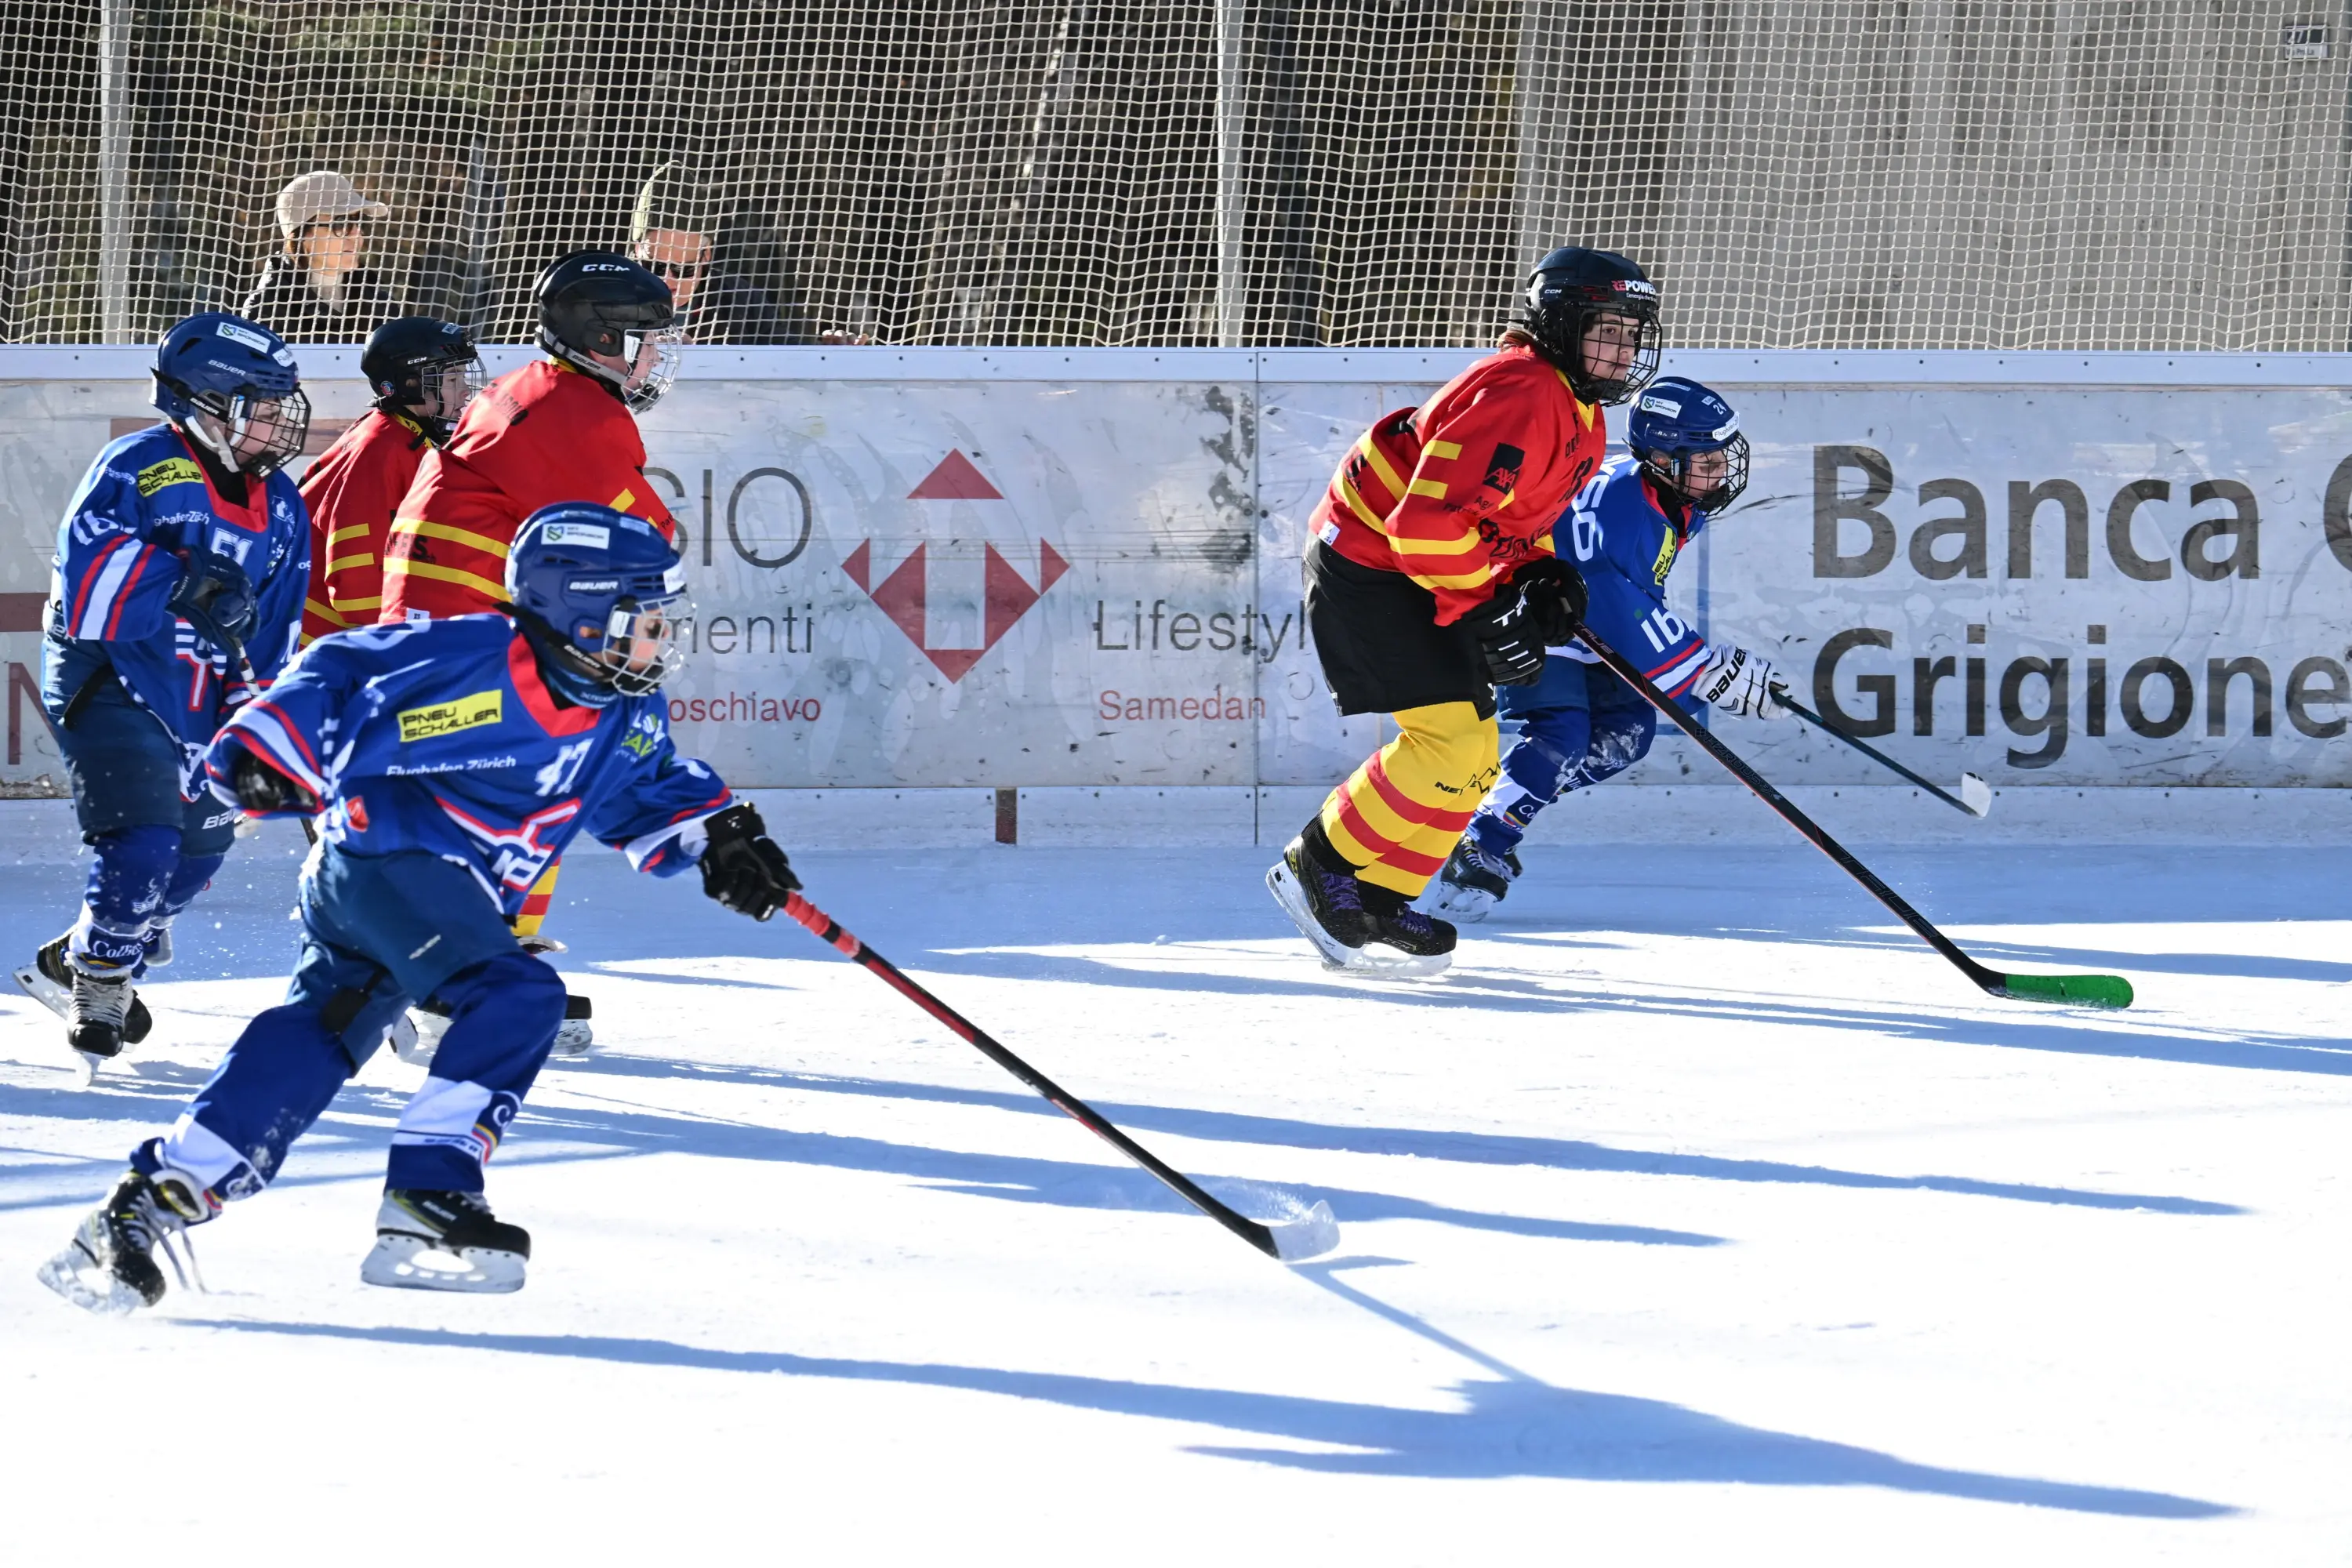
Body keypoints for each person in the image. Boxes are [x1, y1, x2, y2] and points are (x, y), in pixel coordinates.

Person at [36, 505, 802, 1314]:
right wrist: (262, 750)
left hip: (424, 904)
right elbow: (336, 674)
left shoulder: (623, 711)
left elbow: (645, 788)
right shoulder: (473, 660)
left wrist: (718, 835)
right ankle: (430, 1193)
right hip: (383, 866)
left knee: (320, 1035)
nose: (660, 640)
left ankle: (146, 1201)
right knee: (518, 994)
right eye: (644, 621)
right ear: (582, 612)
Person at [1264, 246, 1664, 977]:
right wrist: (1490, 605)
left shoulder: (1580, 411)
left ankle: (1378, 897)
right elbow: (1422, 525)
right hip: (1369, 566)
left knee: (1476, 756)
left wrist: (1539, 573)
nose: (1624, 349)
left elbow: (1511, 518)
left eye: (1633, 333)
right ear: (1561, 325)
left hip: (1414, 570)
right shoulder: (1522, 391)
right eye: (1608, 329)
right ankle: (1318, 867)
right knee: (1448, 744)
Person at [16, 312, 311, 1067]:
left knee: (198, 855)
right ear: (207, 406)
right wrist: (182, 579)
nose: (279, 424)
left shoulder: (283, 507)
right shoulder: (136, 465)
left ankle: (80, 951)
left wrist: (257, 716)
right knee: (144, 843)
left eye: (283, 406)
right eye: (263, 405)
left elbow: (270, 627)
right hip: (109, 677)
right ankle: (103, 978)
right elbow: (86, 588)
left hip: (203, 692)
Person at [1429, 377, 1785, 919]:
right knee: (1562, 734)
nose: (1721, 471)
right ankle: (1484, 838)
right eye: (1706, 460)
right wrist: (1702, 669)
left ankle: (1502, 808)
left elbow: (1629, 595)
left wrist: (1694, 668)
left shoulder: (1673, 496)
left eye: (1722, 457)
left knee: (1627, 735)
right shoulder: (1626, 511)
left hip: (1585, 613)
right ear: (1663, 458)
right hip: (1538, 610)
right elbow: (1607, 592)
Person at [299, 317, 483, 644]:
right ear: (410, 382)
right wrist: (400, 644)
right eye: (453, 377)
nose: (466, 390)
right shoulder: (380, 449)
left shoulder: (407, 437)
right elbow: (354, 585)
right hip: (314, 644)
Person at [629, 163, 855, 344]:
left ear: (706, 256)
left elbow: (784, 351)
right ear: (638, 251)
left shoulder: (740, 300)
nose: (668, 280)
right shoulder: (606, 295)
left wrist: (825, 352)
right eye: (655, 267)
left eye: (684, 269)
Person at [239, 171, 399, 343]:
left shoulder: (381, 304)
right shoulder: (266, 309)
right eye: (341, 224)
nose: (357, 234)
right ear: (302, 236)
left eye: (358, 222)